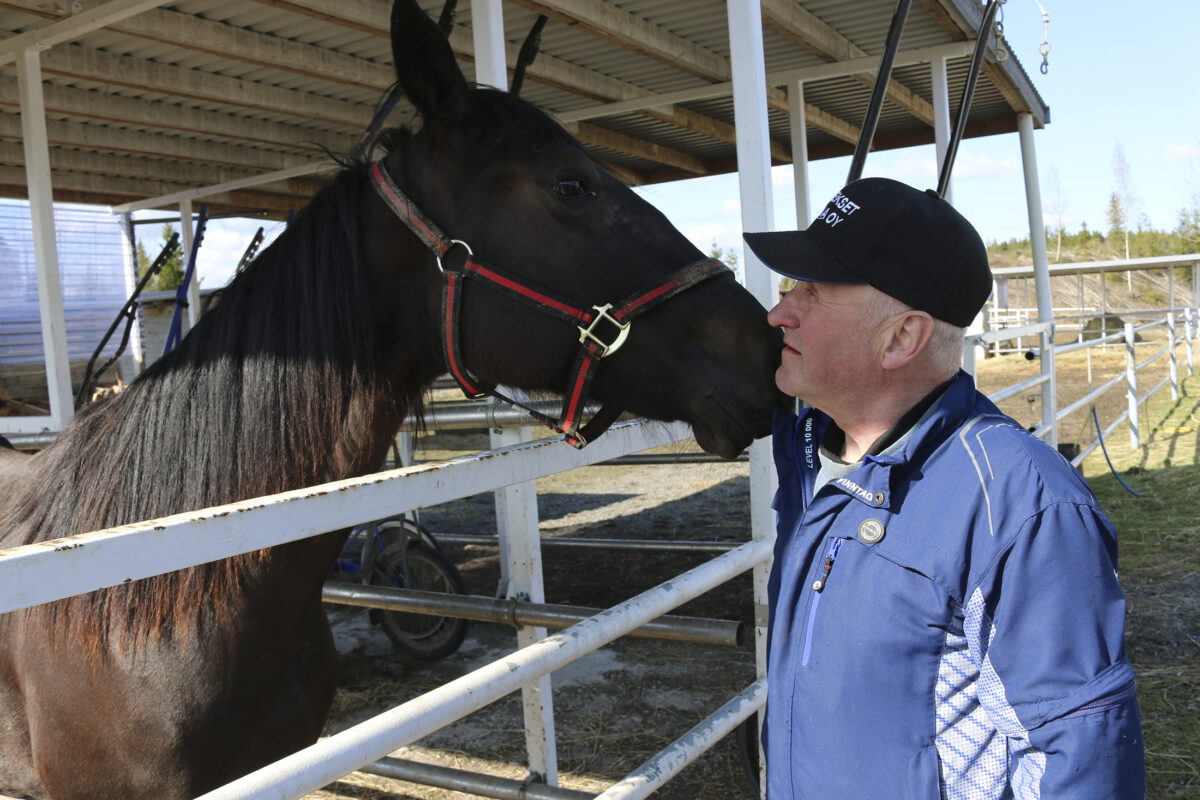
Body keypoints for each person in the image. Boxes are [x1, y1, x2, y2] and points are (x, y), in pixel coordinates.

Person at [743, 178, 1145, 799]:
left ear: (902, 337)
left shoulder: (1021, 505)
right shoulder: (809, 448)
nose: (779, 312)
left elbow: (1080, 763)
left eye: (815, 291)